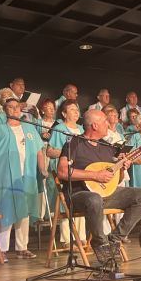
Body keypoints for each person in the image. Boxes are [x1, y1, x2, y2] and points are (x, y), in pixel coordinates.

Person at [56, 110, 141, 263]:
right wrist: (94, 175)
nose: (109, 124)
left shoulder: (107, 146)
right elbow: (62, 171)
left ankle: (114, 239)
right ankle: (100, 243)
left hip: (105, 194)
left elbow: (114, 181)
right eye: (105, 121)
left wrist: (122, 167)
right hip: (80, 194)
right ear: (94, 125)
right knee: (94, 198)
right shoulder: (74, 143)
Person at [0, 98, 47, 260]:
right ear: (5, 110)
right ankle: (2, 250)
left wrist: (42, 169)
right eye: (11, 107)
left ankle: (22, 248)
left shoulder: (29, 128)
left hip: (26, 176)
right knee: (5, 211)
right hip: (5, 177)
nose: (15, 110)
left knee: (24, 212)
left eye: (17, 107)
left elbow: (39, 151)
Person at [46, 99, 86, 244]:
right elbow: (50, 151)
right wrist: (68, 154)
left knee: (82, 198)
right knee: (66, 202)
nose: (76, 112)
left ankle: (81, 237)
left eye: (77, 109)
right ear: (63, 113)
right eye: (72, 109)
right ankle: (66, 238)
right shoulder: (59, 129)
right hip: (65, 172)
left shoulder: (83, 130)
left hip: (81, 171)